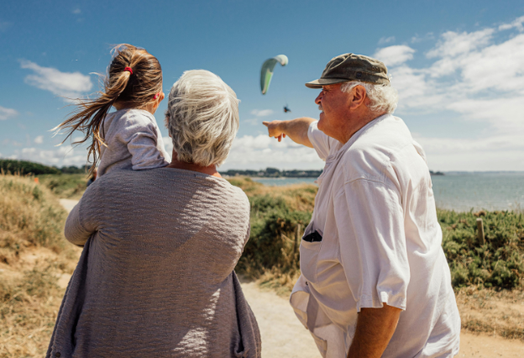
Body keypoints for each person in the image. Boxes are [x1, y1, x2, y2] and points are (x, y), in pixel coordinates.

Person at [47, 70, 261, 358]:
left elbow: (72, 234)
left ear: (169, 123)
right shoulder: (238, 204)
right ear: (229, 131)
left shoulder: (112, 189)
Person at [263, 53, 460, 358]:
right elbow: (308, 130)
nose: (317, 99)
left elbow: (383, 298)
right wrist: (281, 126)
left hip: (398, 351)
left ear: (357, 96)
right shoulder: (371, 135)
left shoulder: (365, 161)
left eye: (326, 91)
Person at [55, 43, 170, 178]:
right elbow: (149, 167)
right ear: (157, 98)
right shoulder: (138, 120)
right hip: (129, 195)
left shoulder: (107, 121)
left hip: (108, 190)